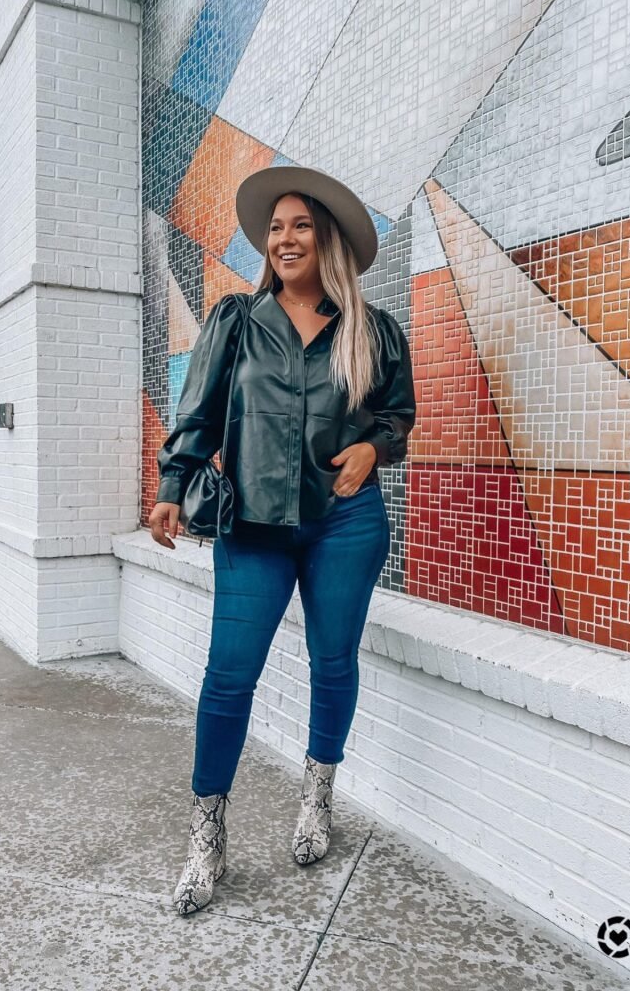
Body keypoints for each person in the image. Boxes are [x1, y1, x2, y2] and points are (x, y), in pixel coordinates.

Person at [148, 165, 416, 916]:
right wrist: (173, 486)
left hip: (345, 522)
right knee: (228, 675)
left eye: (300, 225)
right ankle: (206, 837)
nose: (285, 237)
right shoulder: (236, 321)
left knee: (333, 662)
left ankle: (316, 801)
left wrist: (373, 451)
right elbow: (197, 412)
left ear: (325, 239)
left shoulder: (373, 329)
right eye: (275, 228)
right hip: (253, 525)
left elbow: (396, 417)